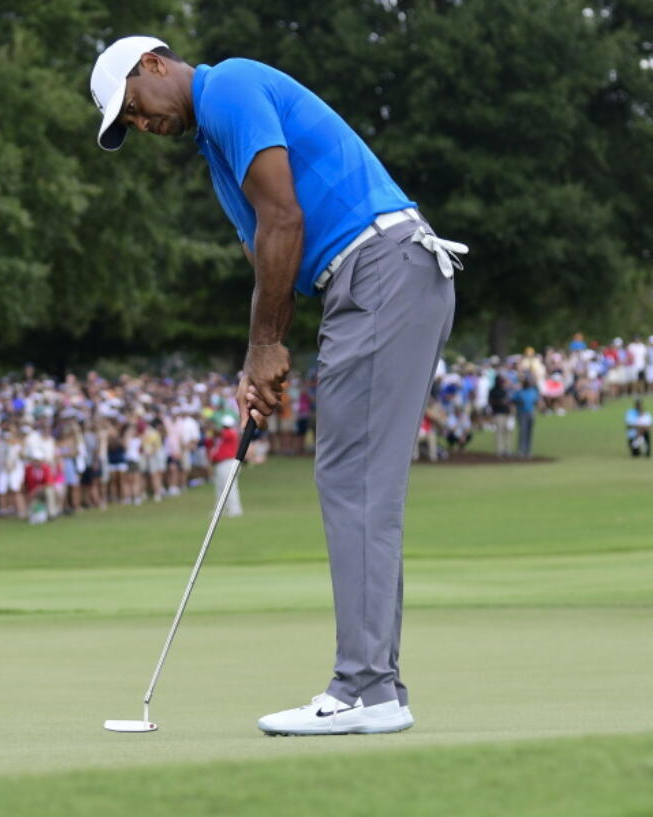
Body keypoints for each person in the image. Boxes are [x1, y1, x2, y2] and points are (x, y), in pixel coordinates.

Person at [91, 36, 462, 734]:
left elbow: (285, 218)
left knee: (351, 479)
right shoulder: (219, 157)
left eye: (134, 109)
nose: (141, 126)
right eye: (128, 126)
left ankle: (362, 689)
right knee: (358, 483)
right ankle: (376, 688)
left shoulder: (228, 86)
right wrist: (257, 362)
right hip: (369, 281)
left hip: (380, 265)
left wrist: (266, 347)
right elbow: (271, 260)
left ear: (154, 66)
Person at [207, 414, 242, 517]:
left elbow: (219, 433)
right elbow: (210, 441)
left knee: (230, 487)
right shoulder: (221, 435)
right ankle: (220, 511)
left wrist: (211, 426)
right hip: (220, 463)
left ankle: (235, 509)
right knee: (220, 488)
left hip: (228, 463)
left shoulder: (231, 433)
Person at [512, 375, 541, 459]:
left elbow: (537, 401)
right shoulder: (520, 392)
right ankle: (521, 450)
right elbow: (513, 400)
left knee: (529, 432)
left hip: (531, 413)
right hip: (522, 413)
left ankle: (528, 451)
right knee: (523, 431)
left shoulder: (533, 391)